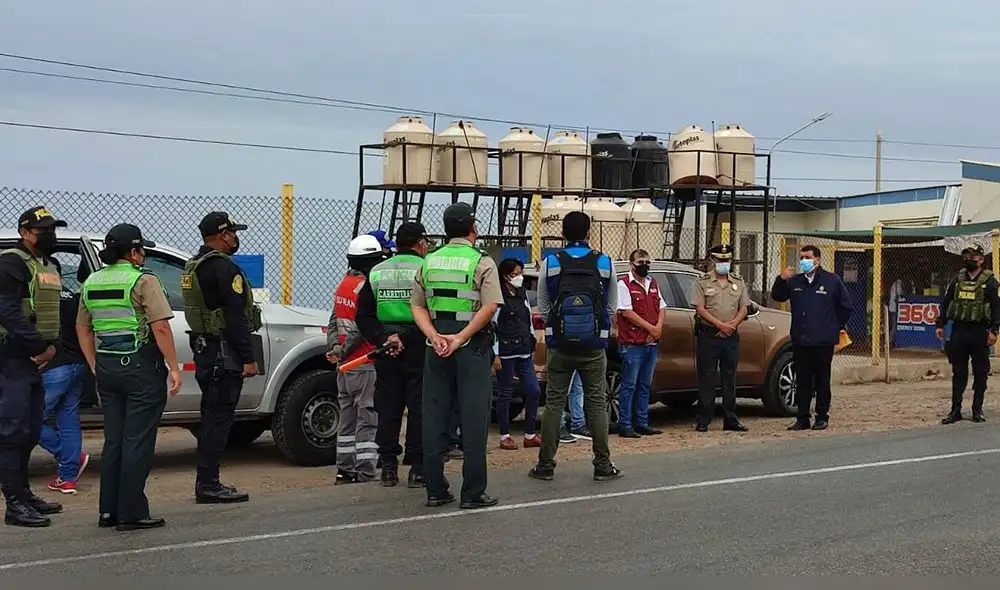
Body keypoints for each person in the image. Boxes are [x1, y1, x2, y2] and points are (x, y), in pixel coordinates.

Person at [77, 223, 181, 531]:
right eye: (142, 250)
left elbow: (82, 327)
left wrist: (94, 363)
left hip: (107, 367)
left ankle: (108, 511)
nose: (143, 255)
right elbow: (161, 327)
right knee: (137, 440)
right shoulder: (143, 280)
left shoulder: (92, 280)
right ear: (134, 252)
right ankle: (131, 512)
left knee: (114, 440)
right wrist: (174, 367)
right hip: (140, 368)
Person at [411, 202, 502, 509]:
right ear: (473, 227)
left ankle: (435, 489)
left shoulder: (429, 261)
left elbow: (417, 306)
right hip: (471, 346)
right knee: (474, 419)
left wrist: (434, 336)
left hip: (436, 346)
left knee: (434, 415)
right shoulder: (482, 261)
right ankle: (473, 492)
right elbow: (490, 306)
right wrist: (461, 337)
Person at [529, 211, 622, 482]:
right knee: (596, 402)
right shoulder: (604, 261)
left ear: (562, 234)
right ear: (589, 233)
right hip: (593, 346)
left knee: (554, 402)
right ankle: (602, 465)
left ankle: (545, 464)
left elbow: (544, 306)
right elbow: (612, 307)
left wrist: (561, 328)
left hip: (560, 346)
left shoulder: (551, 262)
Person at [181, 212, 261, 504]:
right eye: (233, 233)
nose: (236, 238)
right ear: (224, 235)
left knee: (210, 416)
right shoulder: (224, 268)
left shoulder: (195, 264)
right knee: (219, 419)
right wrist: (248, 358)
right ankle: (209, 484)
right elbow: (235, 317)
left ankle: (207, 480)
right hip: (223, 353)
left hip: (206, 350)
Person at [0, 206, 66, 527]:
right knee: (12, 431)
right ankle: (14, 504)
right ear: (25, 232)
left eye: (52, 229)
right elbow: (6, 311)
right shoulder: (12, 263)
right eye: (44, 230)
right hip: (13, 358)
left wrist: (51, 348)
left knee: (30, 428)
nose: (50, 235)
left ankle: (24, 495)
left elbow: (51, 311)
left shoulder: (48, 265)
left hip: (35, 358)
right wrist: (38, 347)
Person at [359, 222, 429, 488]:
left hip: (386, 346)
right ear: (420, 243)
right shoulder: (425, 268)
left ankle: (388, 466)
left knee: (388, 407)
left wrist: (384, 339)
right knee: (419, 407)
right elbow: (432, 311)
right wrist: (406, 338)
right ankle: (417, 468)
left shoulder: (377, 271)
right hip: (418, 342)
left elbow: (363, 315)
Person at [771, 245, 854, 431]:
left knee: (822, 380)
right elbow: (778, 296)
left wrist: (834, 326)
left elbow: (846, 307)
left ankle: (822, 416)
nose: (803, 261)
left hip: (823, 341)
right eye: (801, 257)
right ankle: (802, 418)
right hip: (801, 340)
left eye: (807, 257)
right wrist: (781, 279)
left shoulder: (831, 281)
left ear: (817, 260)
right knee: (802, 380)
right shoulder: (795, 281)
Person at [326, 234, 382, 484]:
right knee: (366, 418)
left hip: (344, 368)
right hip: (363, 363)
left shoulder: (343, 285)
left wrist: (335, 348)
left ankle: (344, 469)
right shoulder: (365, 287)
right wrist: (343, 351)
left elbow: (333, 321)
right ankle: (365, 469)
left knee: (346, 419)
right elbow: (361, 327)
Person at [39, 262, 91, 495]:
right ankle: (68, 478)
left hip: (53, 368)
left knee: (29, 418)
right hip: (76, 364)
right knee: (68, 421)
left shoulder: (43, 299)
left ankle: (68, 457)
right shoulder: (74, 298)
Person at [935, 243, 1000, 424]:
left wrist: (994, 330)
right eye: (966, 256)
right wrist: (940, 324)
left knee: (980, 372)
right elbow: (947, 302)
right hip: (959, 331)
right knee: (959, 372)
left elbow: (997, 307)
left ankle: (977, 410)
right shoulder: (957, 279)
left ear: (981, 259)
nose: (968, 259)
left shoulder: (989, 282)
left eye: (972, 256)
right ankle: (955, 411)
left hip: (979, 332)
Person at [692, 244, 750, 433]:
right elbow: (700, 308)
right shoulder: (702, 282)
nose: (724, 263)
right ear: (713, 260)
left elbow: (744, 308)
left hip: (731, 335)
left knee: (729, 377)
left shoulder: (738, 282)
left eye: (727, 260)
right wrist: (720, 325)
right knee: (707, 378)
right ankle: (704, 419)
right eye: (720, 260)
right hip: (709, 335)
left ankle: (730, 418)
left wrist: (732, 325)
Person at [492, 258, 541, 450]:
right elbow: (493, 325)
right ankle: (505, 436)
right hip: (505, 352)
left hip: (523, 350)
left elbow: (527, 318)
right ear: (505, 276)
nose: (519, 277)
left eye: (520, 273)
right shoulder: (497, 295)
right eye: (515, 274)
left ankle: (530, 434)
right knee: (505, 393)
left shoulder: (522, 293)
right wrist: (495, 354)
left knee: (533, 390)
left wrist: (531, 340)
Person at [615, 248, 666, 438]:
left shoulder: (653, 283)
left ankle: (642, 422)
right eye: (640, 263)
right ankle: (625, 424)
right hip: (633, 343)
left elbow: (662, 307)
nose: (644, 266)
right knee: (629, 385)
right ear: (632, 265)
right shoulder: (624, 284)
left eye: (647, 262)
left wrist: (657, 329)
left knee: (645, 385)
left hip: (651, 343)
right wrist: (651, 329)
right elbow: (626, 312)